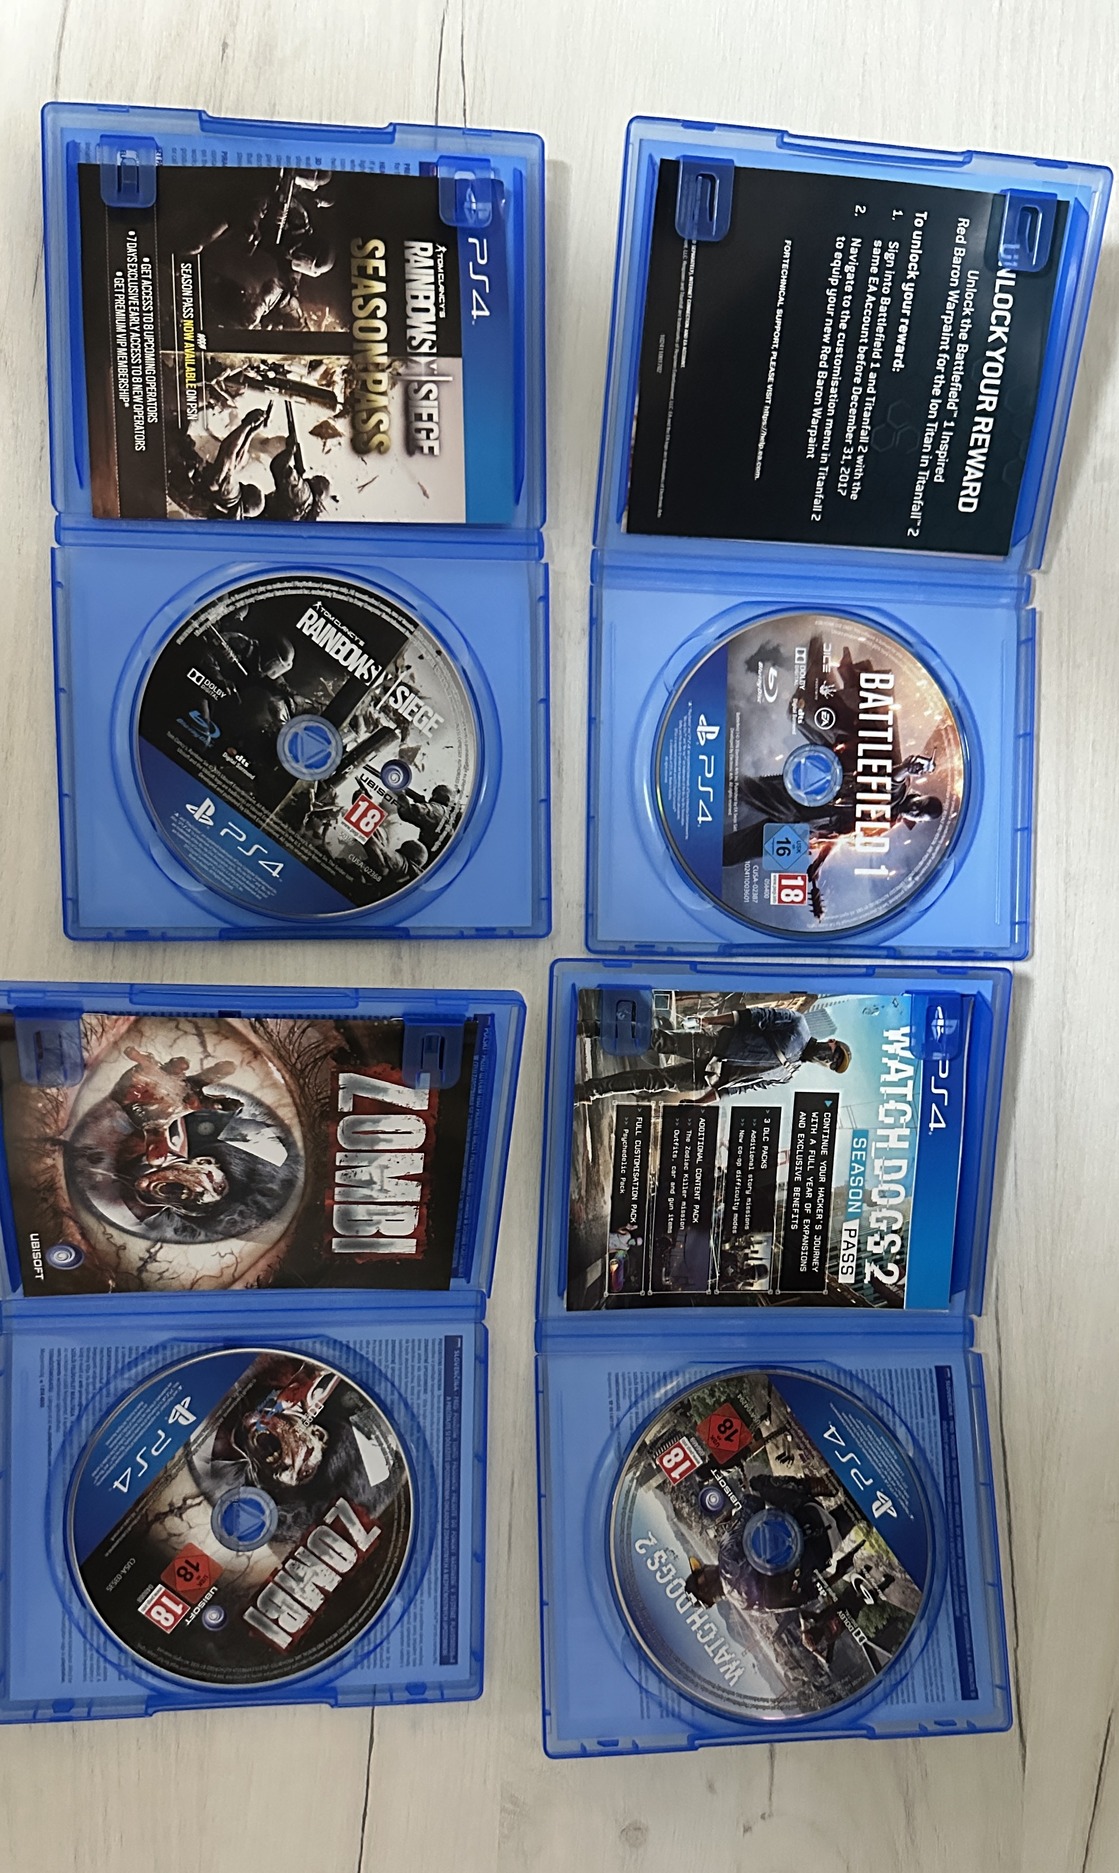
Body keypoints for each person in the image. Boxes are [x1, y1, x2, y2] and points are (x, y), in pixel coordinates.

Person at [575, 1003, 850, 1103]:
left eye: (832, 1064)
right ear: (832, 1042)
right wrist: (711, 1020)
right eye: (834, 1054)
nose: (829, 1059)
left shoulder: (787, 1075)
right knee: (656, 1040)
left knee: (653, 1081)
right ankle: (592, 1028)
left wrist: (701, 1102)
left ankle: (589, 1091)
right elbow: (754, 1016)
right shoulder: (798, 1025)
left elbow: (740, 1088)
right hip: (713, 1045)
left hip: (709, 1078)